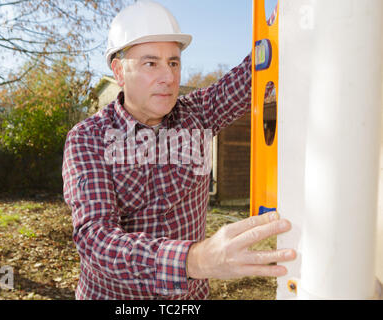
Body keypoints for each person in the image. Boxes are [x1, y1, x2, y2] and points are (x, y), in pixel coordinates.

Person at [62, 0, 296, 300]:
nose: (169, 77)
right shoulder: (87, 139)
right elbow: (96, 240)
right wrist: (195, 259)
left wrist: (288, 16)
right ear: (119, 71)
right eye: (151, 63)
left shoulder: (198, 114)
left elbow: (256, 71)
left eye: (173, 62)